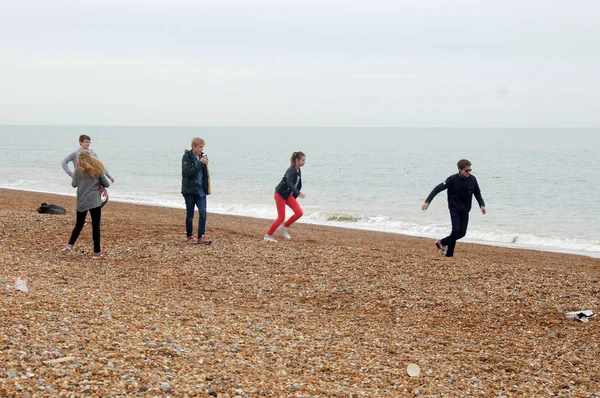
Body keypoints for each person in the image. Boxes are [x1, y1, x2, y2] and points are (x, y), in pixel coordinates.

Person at [421, 159, 486, 257]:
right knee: (455, 231)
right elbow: (437, 189)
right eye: (466, 170)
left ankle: (442, 242)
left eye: (470, 170)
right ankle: (449, 254)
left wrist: (482, 205)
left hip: (466, 209)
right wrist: (427, 202)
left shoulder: (472, 179)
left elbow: (477, 193)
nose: (468, 172)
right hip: (454, 207)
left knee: (462, 233)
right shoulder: (452, 179)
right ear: (460, 169)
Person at [61, 151, 110, 259]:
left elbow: (74, 184)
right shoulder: (96, 169)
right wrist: (97, 183)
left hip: (81, 200)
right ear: (91, 158)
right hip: (94, 200)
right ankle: (97, 253)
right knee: (95, 226)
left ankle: (69, 246)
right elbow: (106, 184)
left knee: (79, 224)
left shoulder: (78, 170)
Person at [264, 151, 306, 242]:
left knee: (299, 213)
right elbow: (289, 183)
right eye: (302, 160)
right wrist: (298, 193)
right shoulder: (291, 170)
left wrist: (295, 194)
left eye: (304, 160)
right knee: (281, 217)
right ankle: (268, 235)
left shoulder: (298, 169)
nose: (304, 162)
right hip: (280, 194)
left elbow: (297, 183)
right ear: (297, 160)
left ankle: (284, 228)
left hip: (288, 195)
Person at [181, 137, 212, 245]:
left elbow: (204, 175)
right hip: (189, 190)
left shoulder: (203, 156)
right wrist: (200, 163)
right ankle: (190, 236)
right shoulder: (187, 157)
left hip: (201, 190)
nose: (201, 149)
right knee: (190, 214)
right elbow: (187, 173)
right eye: (199, 147)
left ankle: (201, 236)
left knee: (203, 212)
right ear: (193, 146)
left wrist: (205, 162)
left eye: (202, 147)